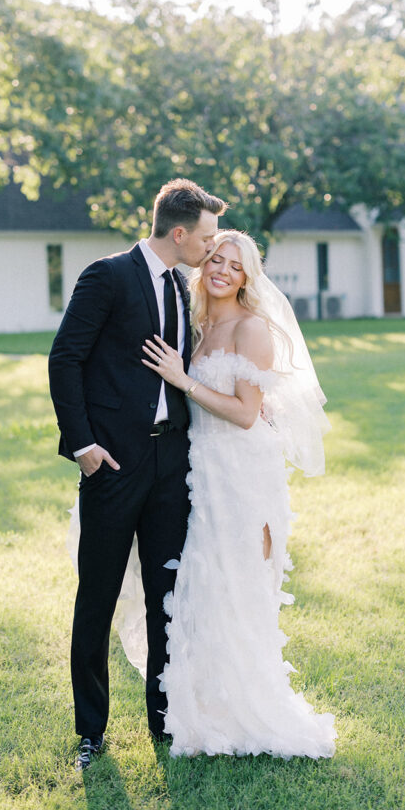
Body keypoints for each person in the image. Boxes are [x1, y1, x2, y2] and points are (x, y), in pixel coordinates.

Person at [48, 179, 226, 771]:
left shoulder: (182, 284)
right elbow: (65, 357)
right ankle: (91, 734)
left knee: (166, 596)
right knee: (96, 598)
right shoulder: (108, 276)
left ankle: (162, 719)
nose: (211, 246)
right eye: (206, 236)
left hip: (170, 465)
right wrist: (83, 446)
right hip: (113, 464)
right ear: (179, 233)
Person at [141, 229, 336, 758]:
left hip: (241, 475)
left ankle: (249, 708)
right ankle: (204, 704)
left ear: (249, 276)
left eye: (235, 264)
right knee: (206, 579)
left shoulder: (253, 329)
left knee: (238, 580)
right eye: (216, 260)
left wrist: (184, 381)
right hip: (202, 469)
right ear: (204, 266)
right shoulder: (201, 324)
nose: (222, 270)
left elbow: (249, 414)